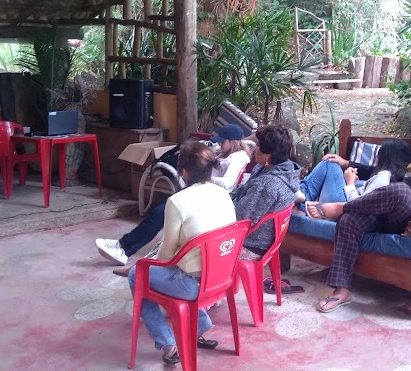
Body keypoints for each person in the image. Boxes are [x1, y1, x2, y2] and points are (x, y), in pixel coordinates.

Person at [314, 123, 411, 312]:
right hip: (386, 212)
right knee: (350, 220)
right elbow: (382, 168)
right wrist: (346, 163)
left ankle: (341, 207)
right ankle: (341, 290)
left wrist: (389, 191)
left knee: (400, 190)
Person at [127, 141, 236, 365]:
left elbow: (166, 256)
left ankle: (167, 344)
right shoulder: (224, 194)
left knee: (137, 275)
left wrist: (148, 262)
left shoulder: (177, 201)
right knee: (178, 268)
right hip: (222, 278)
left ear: (184, 172)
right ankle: (200, 326)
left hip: (192, 285)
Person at [95, 124, 252, 265]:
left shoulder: (238, 158)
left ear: (232, 142)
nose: (220, 145)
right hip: (200, 188)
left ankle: (124, 248)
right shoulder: (224, 153)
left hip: (210, 194)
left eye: (223, 142)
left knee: (160, 213)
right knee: (159, 212)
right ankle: (123, 245)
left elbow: (228, 183)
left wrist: (203, 173)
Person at [229, 124, 300, 260]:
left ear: (268, 155)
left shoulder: (267, 185)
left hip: (251, 244)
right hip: (263, 238)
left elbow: (241, 219)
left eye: (258, 146)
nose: (255, 149)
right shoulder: (288, 170)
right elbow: (241, 191)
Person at [298, 139, 411, 218]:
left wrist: (350, 182)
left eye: (379, 154)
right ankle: (301, 199)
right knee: (331, 165)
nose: (376, 157)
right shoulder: (394, 177)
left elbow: (359, 205)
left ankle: (299, 203)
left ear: (385, 157)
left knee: (329, 164)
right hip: (346, 206)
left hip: (342, 210)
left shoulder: (383, 177)